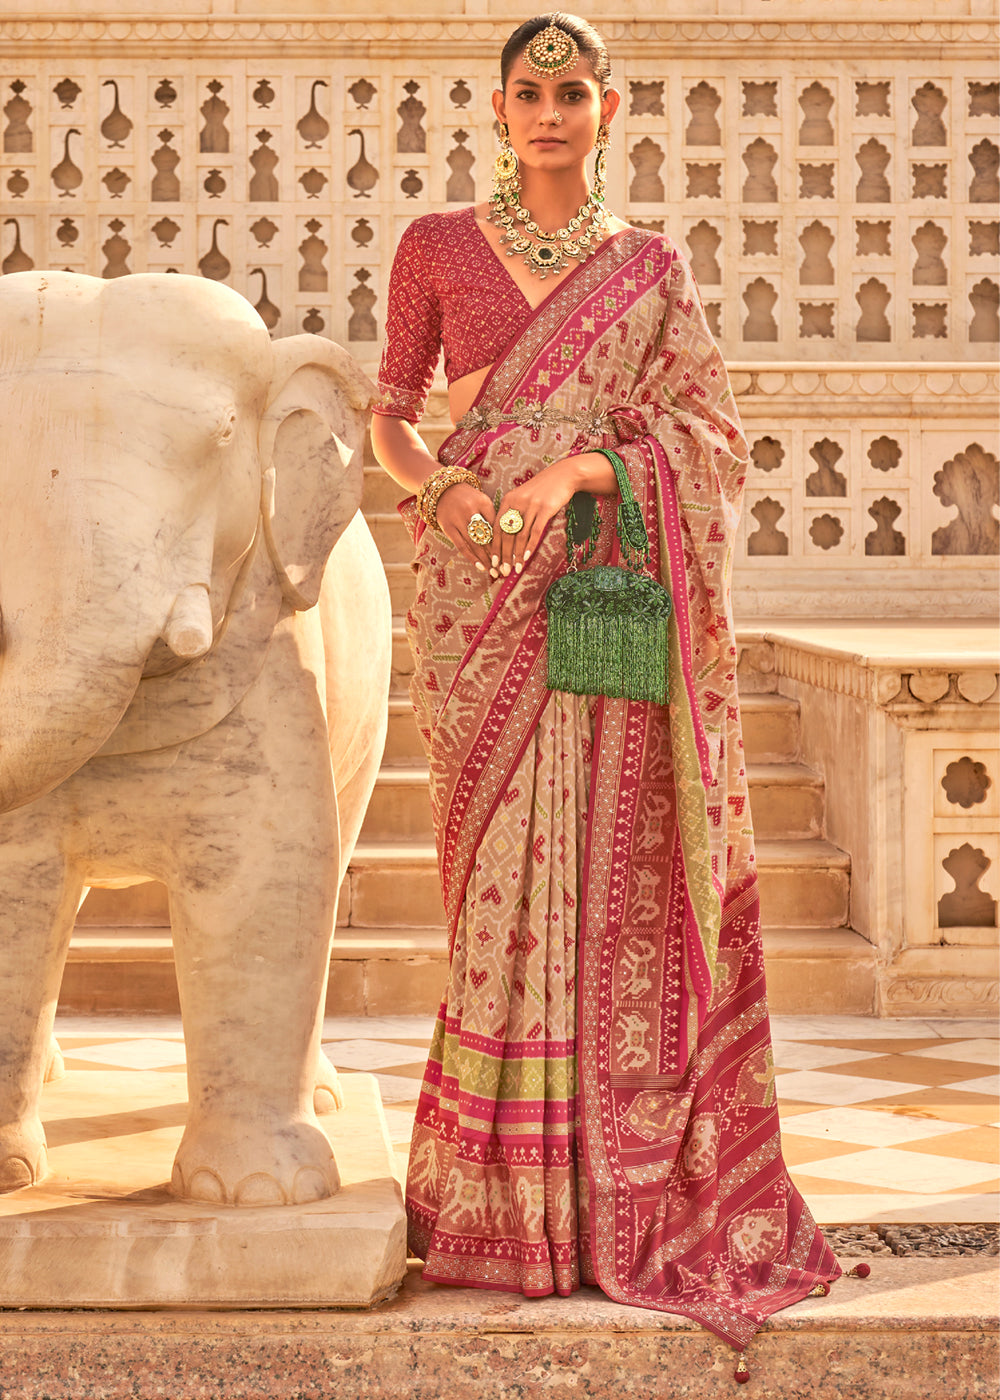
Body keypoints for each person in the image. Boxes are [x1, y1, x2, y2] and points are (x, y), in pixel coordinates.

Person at [371, 12, 843, 1369]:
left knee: (616, 872)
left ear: (612, 108)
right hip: (479, 600)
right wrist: (449, 492)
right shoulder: (437, 247)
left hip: (607, 592)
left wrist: (586, 472)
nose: (551, 114)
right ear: (498, 108)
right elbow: (391, 413)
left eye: (573, 93)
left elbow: (710, 433)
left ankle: (615, 1185)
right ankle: (498, 1204)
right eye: (530, 93)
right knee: (499, 888)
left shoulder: (649, 265)